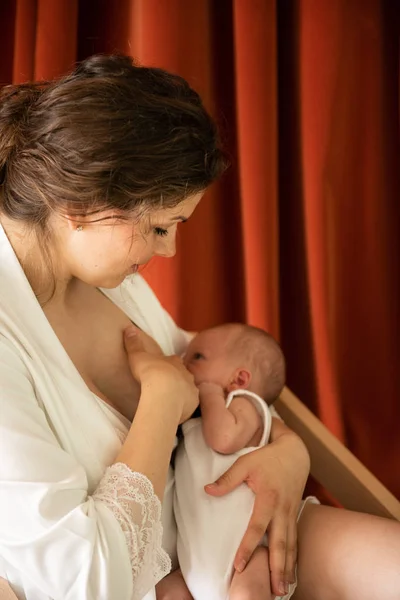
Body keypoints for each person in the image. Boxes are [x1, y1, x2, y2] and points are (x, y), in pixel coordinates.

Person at [0, 54, 399, 600]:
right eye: (160, 227)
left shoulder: (100, 272)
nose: (168, 250)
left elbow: (215, 368)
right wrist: (162, 402)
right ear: (80, 205)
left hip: (221, 534)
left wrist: (287, 448)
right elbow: (85, 577)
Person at [160, 322, 314, 600]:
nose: (185, 362)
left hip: (246, 557)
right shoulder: (198, 419)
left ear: (240, 379)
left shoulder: (244, 404)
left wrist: (208, 392)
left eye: (197, 357)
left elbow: (224, 439)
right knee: (165, 593)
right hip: (194, 564)